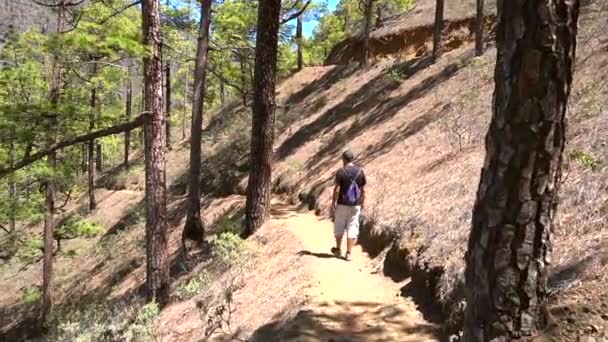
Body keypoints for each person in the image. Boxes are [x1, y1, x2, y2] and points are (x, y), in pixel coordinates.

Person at [330, 149, 366, 261]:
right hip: (355, 204)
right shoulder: (360, 172)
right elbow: (363, 190)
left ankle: (338, 249)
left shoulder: (341, 172)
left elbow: (336, 190)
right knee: (352, 227)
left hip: (342, 204)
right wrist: (362, 202)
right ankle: (349, 253)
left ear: (343, 159)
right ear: (353, 159)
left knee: (339, 225)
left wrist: (333, 203)